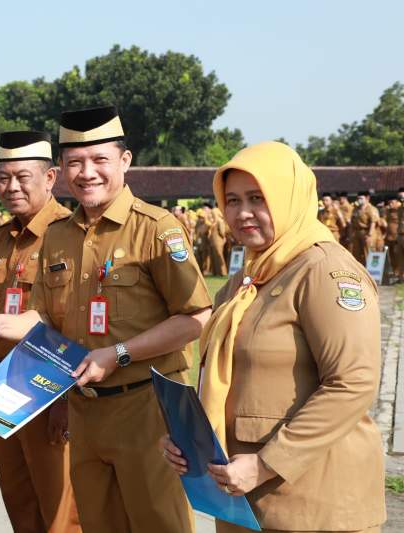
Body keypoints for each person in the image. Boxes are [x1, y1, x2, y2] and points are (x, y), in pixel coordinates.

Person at [0, 106, 212, 531]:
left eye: (100, 160)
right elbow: (45, 317)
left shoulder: (156, 229)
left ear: (124, 161)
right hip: (86, 413)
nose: (87, 173)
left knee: (158, 523)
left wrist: (118, 354)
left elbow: (196, 317)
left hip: (147, 409)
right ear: (62, 169)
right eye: (75, 163)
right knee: (96, 523)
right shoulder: (59, 234)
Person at [161, 141, 386, 533]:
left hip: (314, 506)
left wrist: (266, 463)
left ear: (289, 198)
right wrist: (189, 439)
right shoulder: (242, 282)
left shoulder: (324, 272)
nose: (242, 213)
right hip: (241, 498)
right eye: (231, 200)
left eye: (257, 198)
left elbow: (353, 383)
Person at [0, 130, 80, 532]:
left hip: (47, 388)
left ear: (50, 178)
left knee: (60, 511)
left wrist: (65, 402)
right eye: (3, 178)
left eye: (22, 177)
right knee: (18, 501)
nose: (11, 187)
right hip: (1, 389)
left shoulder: (68, 235)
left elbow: (73, 325)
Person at [348, 191, 379, 266]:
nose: (359, 200)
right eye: (358, 198)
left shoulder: (371, 209)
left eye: (361, 198)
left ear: (367, 198)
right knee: (356, 253)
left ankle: (370, 272)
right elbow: (352, 222)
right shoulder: (356, 209)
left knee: (368, 253)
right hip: (357, 233)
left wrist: (369, 235)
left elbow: (373, 222)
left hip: (367, 232)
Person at [209, 206, 228, 276]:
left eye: (212, 214)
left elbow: (222, 232)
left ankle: (223, 272)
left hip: (218, 242)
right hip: (213, 242)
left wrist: (224, 238)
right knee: (215, 257)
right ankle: (216, 272)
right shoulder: (213, 223)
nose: (211, 215)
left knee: (219, 257)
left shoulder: (219, 221)